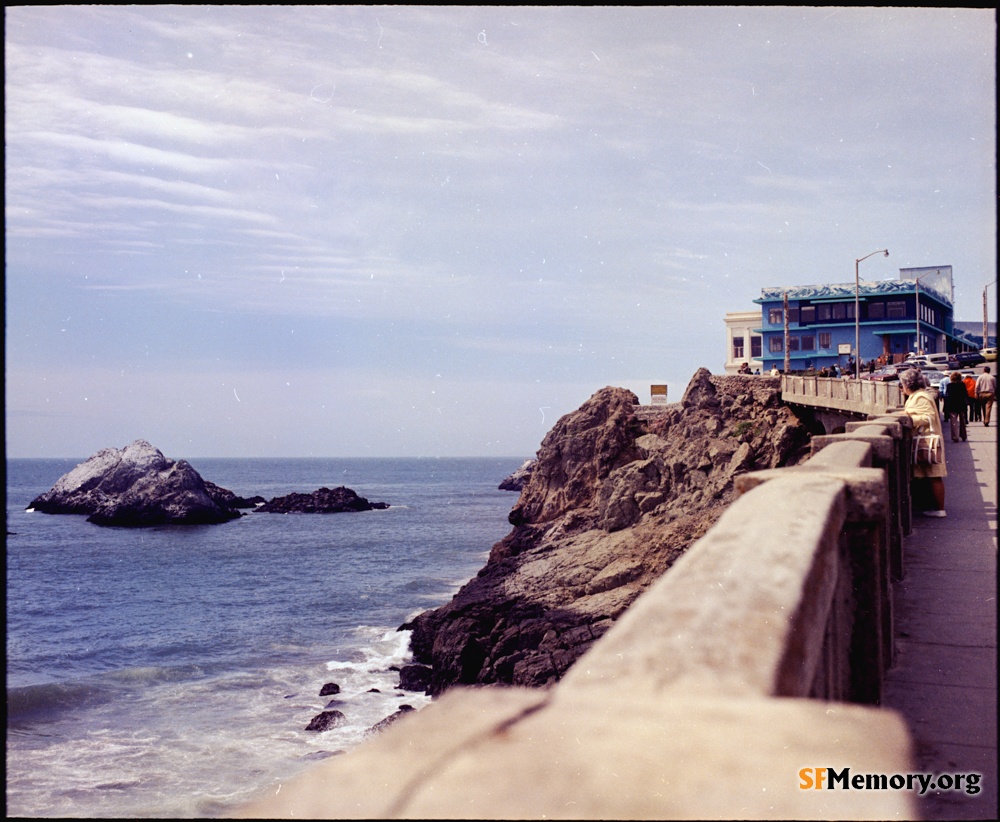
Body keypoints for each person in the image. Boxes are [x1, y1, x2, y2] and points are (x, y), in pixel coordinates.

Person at [900, 368, 947, 517]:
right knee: (930, 474)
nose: (902, 388)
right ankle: (935, 508)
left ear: (908, 384)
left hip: (927, 441)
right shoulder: (920, 395)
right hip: (925, 441)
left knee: (934, 474)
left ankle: (939, 509)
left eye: (902, 385)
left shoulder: (920, 397)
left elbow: (928, 418)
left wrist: (909, 420)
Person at [943, 371, 969, 442]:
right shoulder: (962, 384)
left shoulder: (949, 385)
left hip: (952, 405)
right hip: (961, 405)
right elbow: (965, 394)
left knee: (954, 422)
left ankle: (955, 437)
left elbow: (947, 396)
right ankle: (963, 435)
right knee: (962, 421)